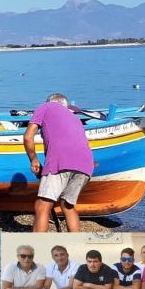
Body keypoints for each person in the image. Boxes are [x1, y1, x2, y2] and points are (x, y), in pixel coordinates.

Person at [24, 93, 94, 232]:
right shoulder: (75, 118)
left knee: (42, 206)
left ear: (51, 102)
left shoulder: (45, 107)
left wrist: (34, 160)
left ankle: (36, 247)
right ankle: (76, 246)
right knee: (67, 206)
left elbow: (27, 137)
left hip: (61, 159)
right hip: (86, 165)